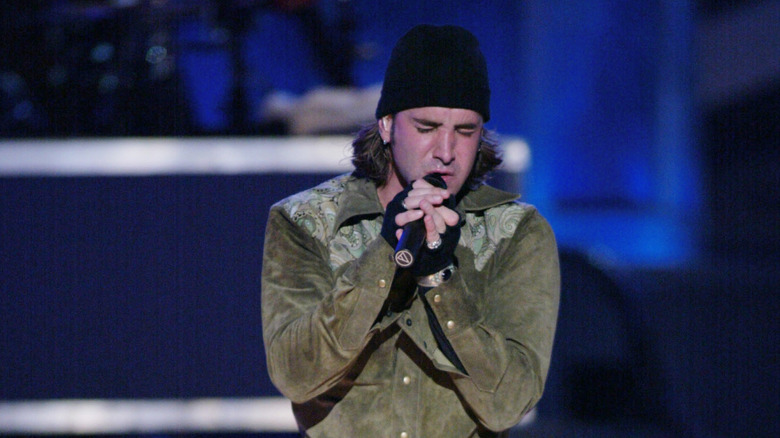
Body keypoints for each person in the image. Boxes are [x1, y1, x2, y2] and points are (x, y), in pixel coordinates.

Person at [261, 24, 560, 437]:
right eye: (426, 128)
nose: (446, 152)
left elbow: (508, 404)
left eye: (465, 131)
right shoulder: (306, 222)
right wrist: (386, 254)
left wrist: (441, 284)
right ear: (386, 125)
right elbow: (295, 375)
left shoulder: (515, 234)